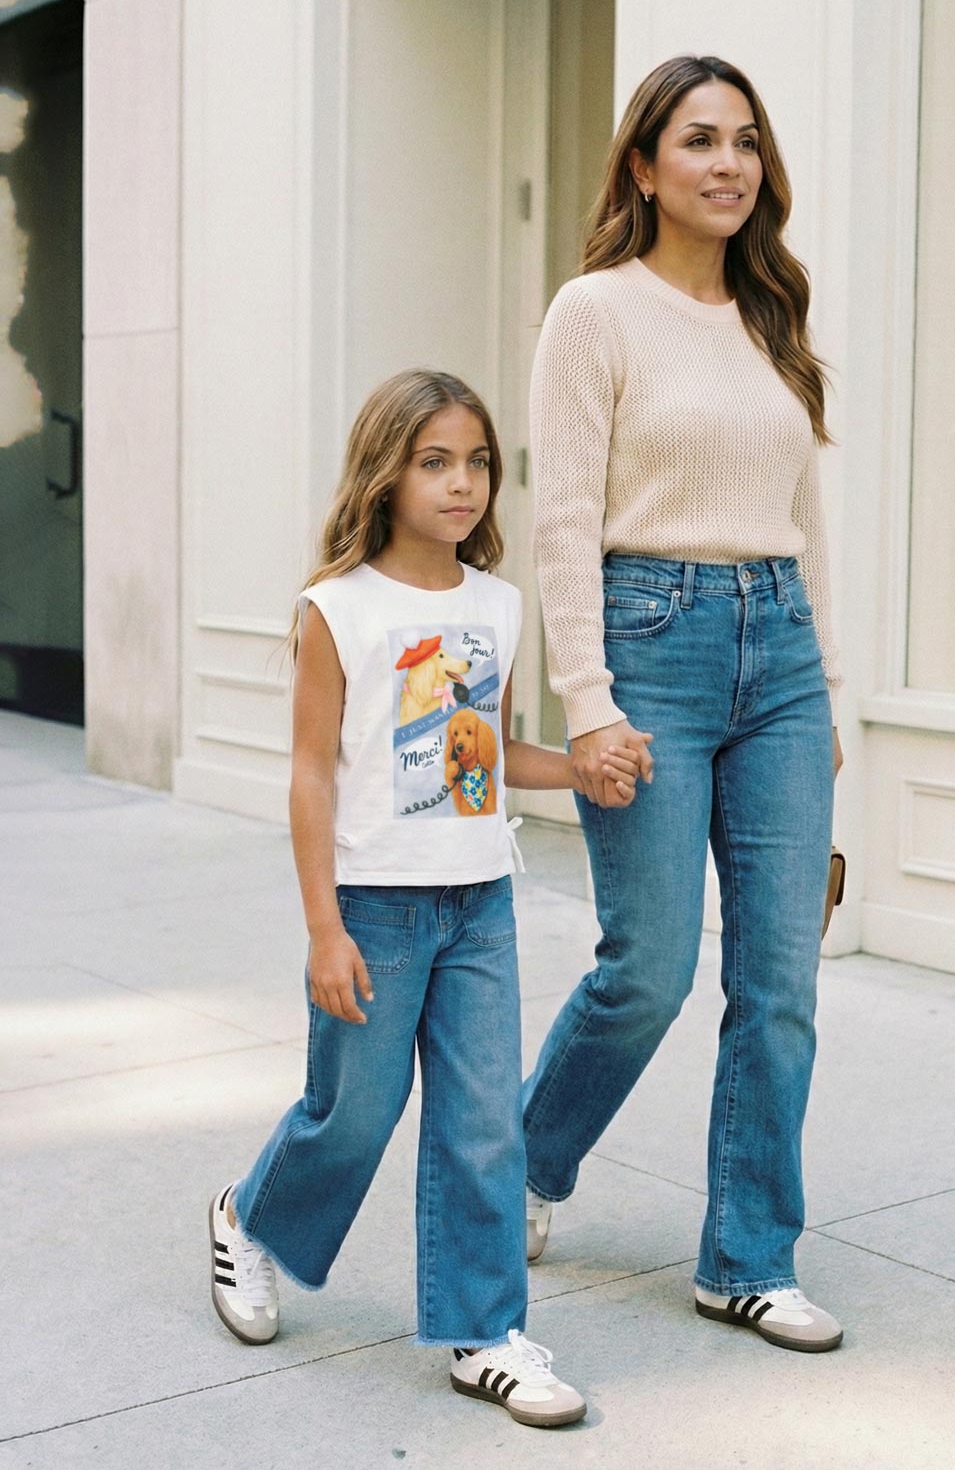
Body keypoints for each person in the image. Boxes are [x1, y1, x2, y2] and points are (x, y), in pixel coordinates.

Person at [207, 368, 642, 1428]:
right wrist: (324, 927)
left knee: (483, 1122)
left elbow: (480, 752)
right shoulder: (337, 608)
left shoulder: (496, 605)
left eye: (479, 462)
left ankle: (483, 1330)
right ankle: (249, 1218)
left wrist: (580, 767)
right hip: (375, 907)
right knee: (354, 1112)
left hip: (478, 904)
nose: (462, 484)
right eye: (434, 461)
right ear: (386, 472)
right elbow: (311, 773)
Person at [523, 55, 846, 1354]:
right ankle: (524, 1159)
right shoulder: (593, 312)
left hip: (780, 650)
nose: (728, 163)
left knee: (780, 981)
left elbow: (808, 524)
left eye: (747, 142)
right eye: (699, 140)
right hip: (649, 639)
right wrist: (587, 699)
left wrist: (826, 700)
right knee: (647, 966)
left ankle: (747, 1255)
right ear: (645, 166)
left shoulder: (773, 318)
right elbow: (562, 518)